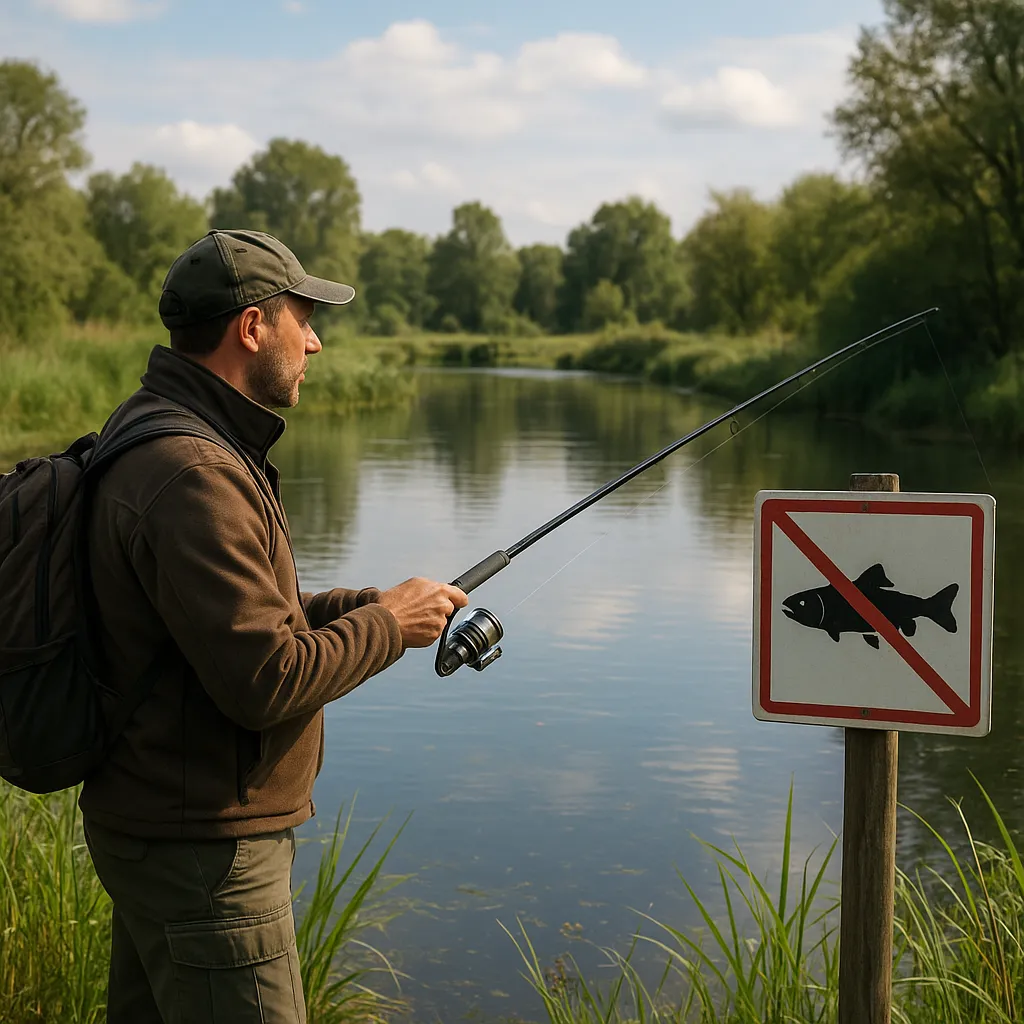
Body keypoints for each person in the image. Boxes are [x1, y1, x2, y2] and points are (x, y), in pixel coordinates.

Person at [80, 228, 467, 1023]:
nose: (316, 342)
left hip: (164, 827)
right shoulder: (194, 472)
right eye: (303, 319)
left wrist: (373, 605)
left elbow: (235, 625)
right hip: (207, 854)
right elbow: (267, 678)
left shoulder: (171, 432)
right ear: (253, 328)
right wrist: (390, 625)